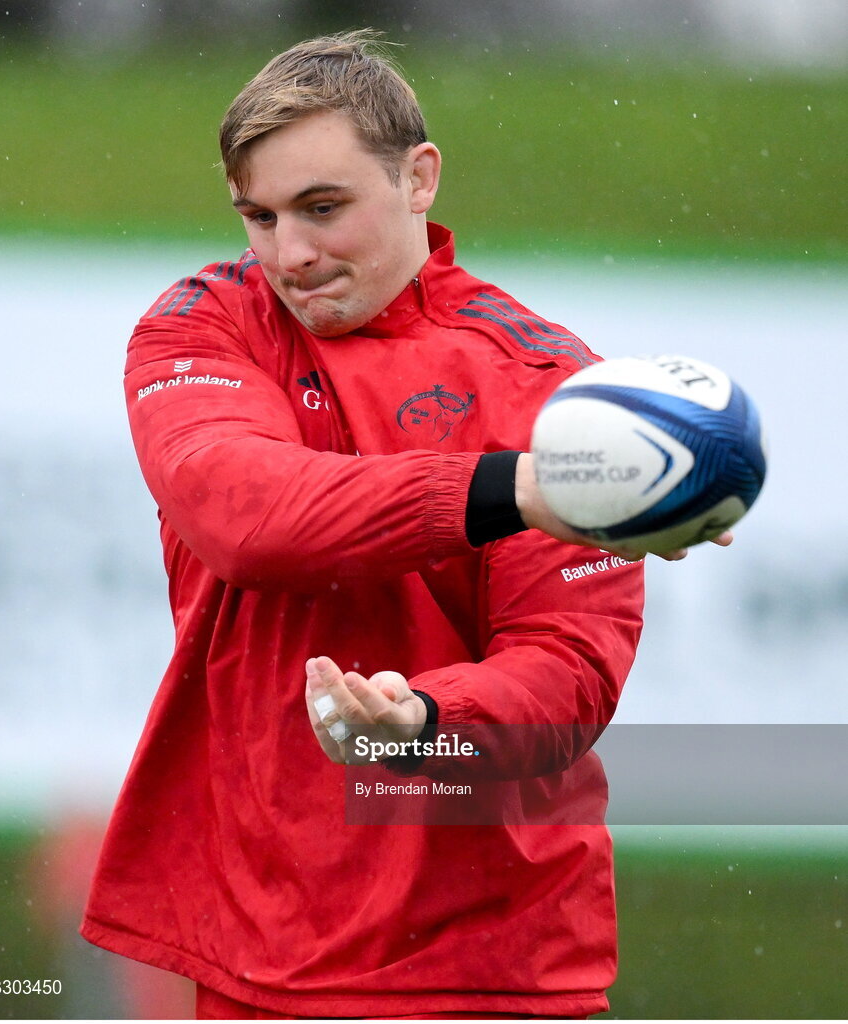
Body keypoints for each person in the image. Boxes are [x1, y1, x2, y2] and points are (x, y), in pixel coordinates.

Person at [81, 30, 724, 1019]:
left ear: (419, 177)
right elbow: (249, 519)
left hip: (496, 967)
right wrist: (516, 490)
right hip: (263, 959)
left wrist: (426, 722)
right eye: (260, 216)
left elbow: (567, 672)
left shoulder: (552, 384)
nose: (290, 252)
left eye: (323, 207)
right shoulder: (201, 325)